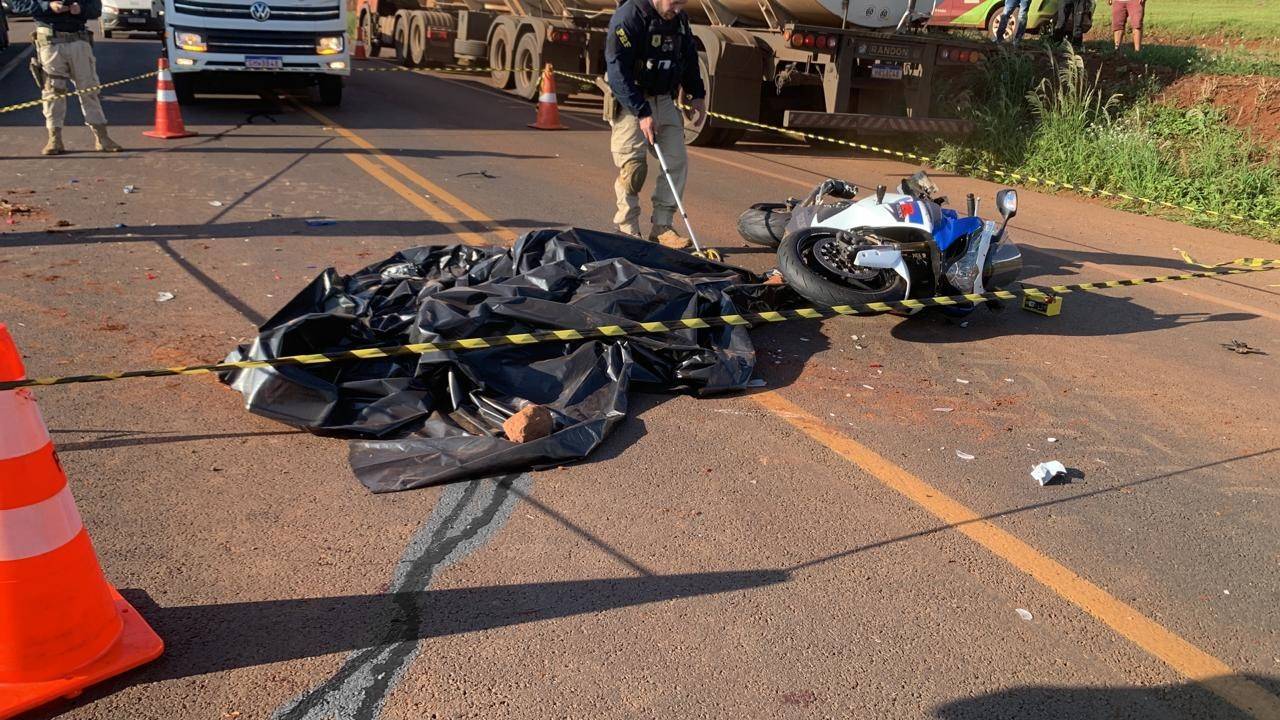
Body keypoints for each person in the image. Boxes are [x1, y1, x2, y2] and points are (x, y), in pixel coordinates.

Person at [604, 0, 706, 249]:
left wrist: (697, 95)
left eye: (683, 3)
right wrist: (641, 112)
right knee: (634, 167)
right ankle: (627, 227)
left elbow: (688, 57)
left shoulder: (679, 20)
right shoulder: (628, 17)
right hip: (632, 99)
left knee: (676, 161)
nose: (678, 9)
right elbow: (618, 71)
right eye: (675, 2)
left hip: (663, 99)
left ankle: (662, 226)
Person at [14, 0, 122, 155]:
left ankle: (102, 137)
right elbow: (18, 4)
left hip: (78, 40)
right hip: (50, 42)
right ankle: (55, 139)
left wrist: (80, 9)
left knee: (89, 90)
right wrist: (48, 6)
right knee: (53, 91)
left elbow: (96, 8)